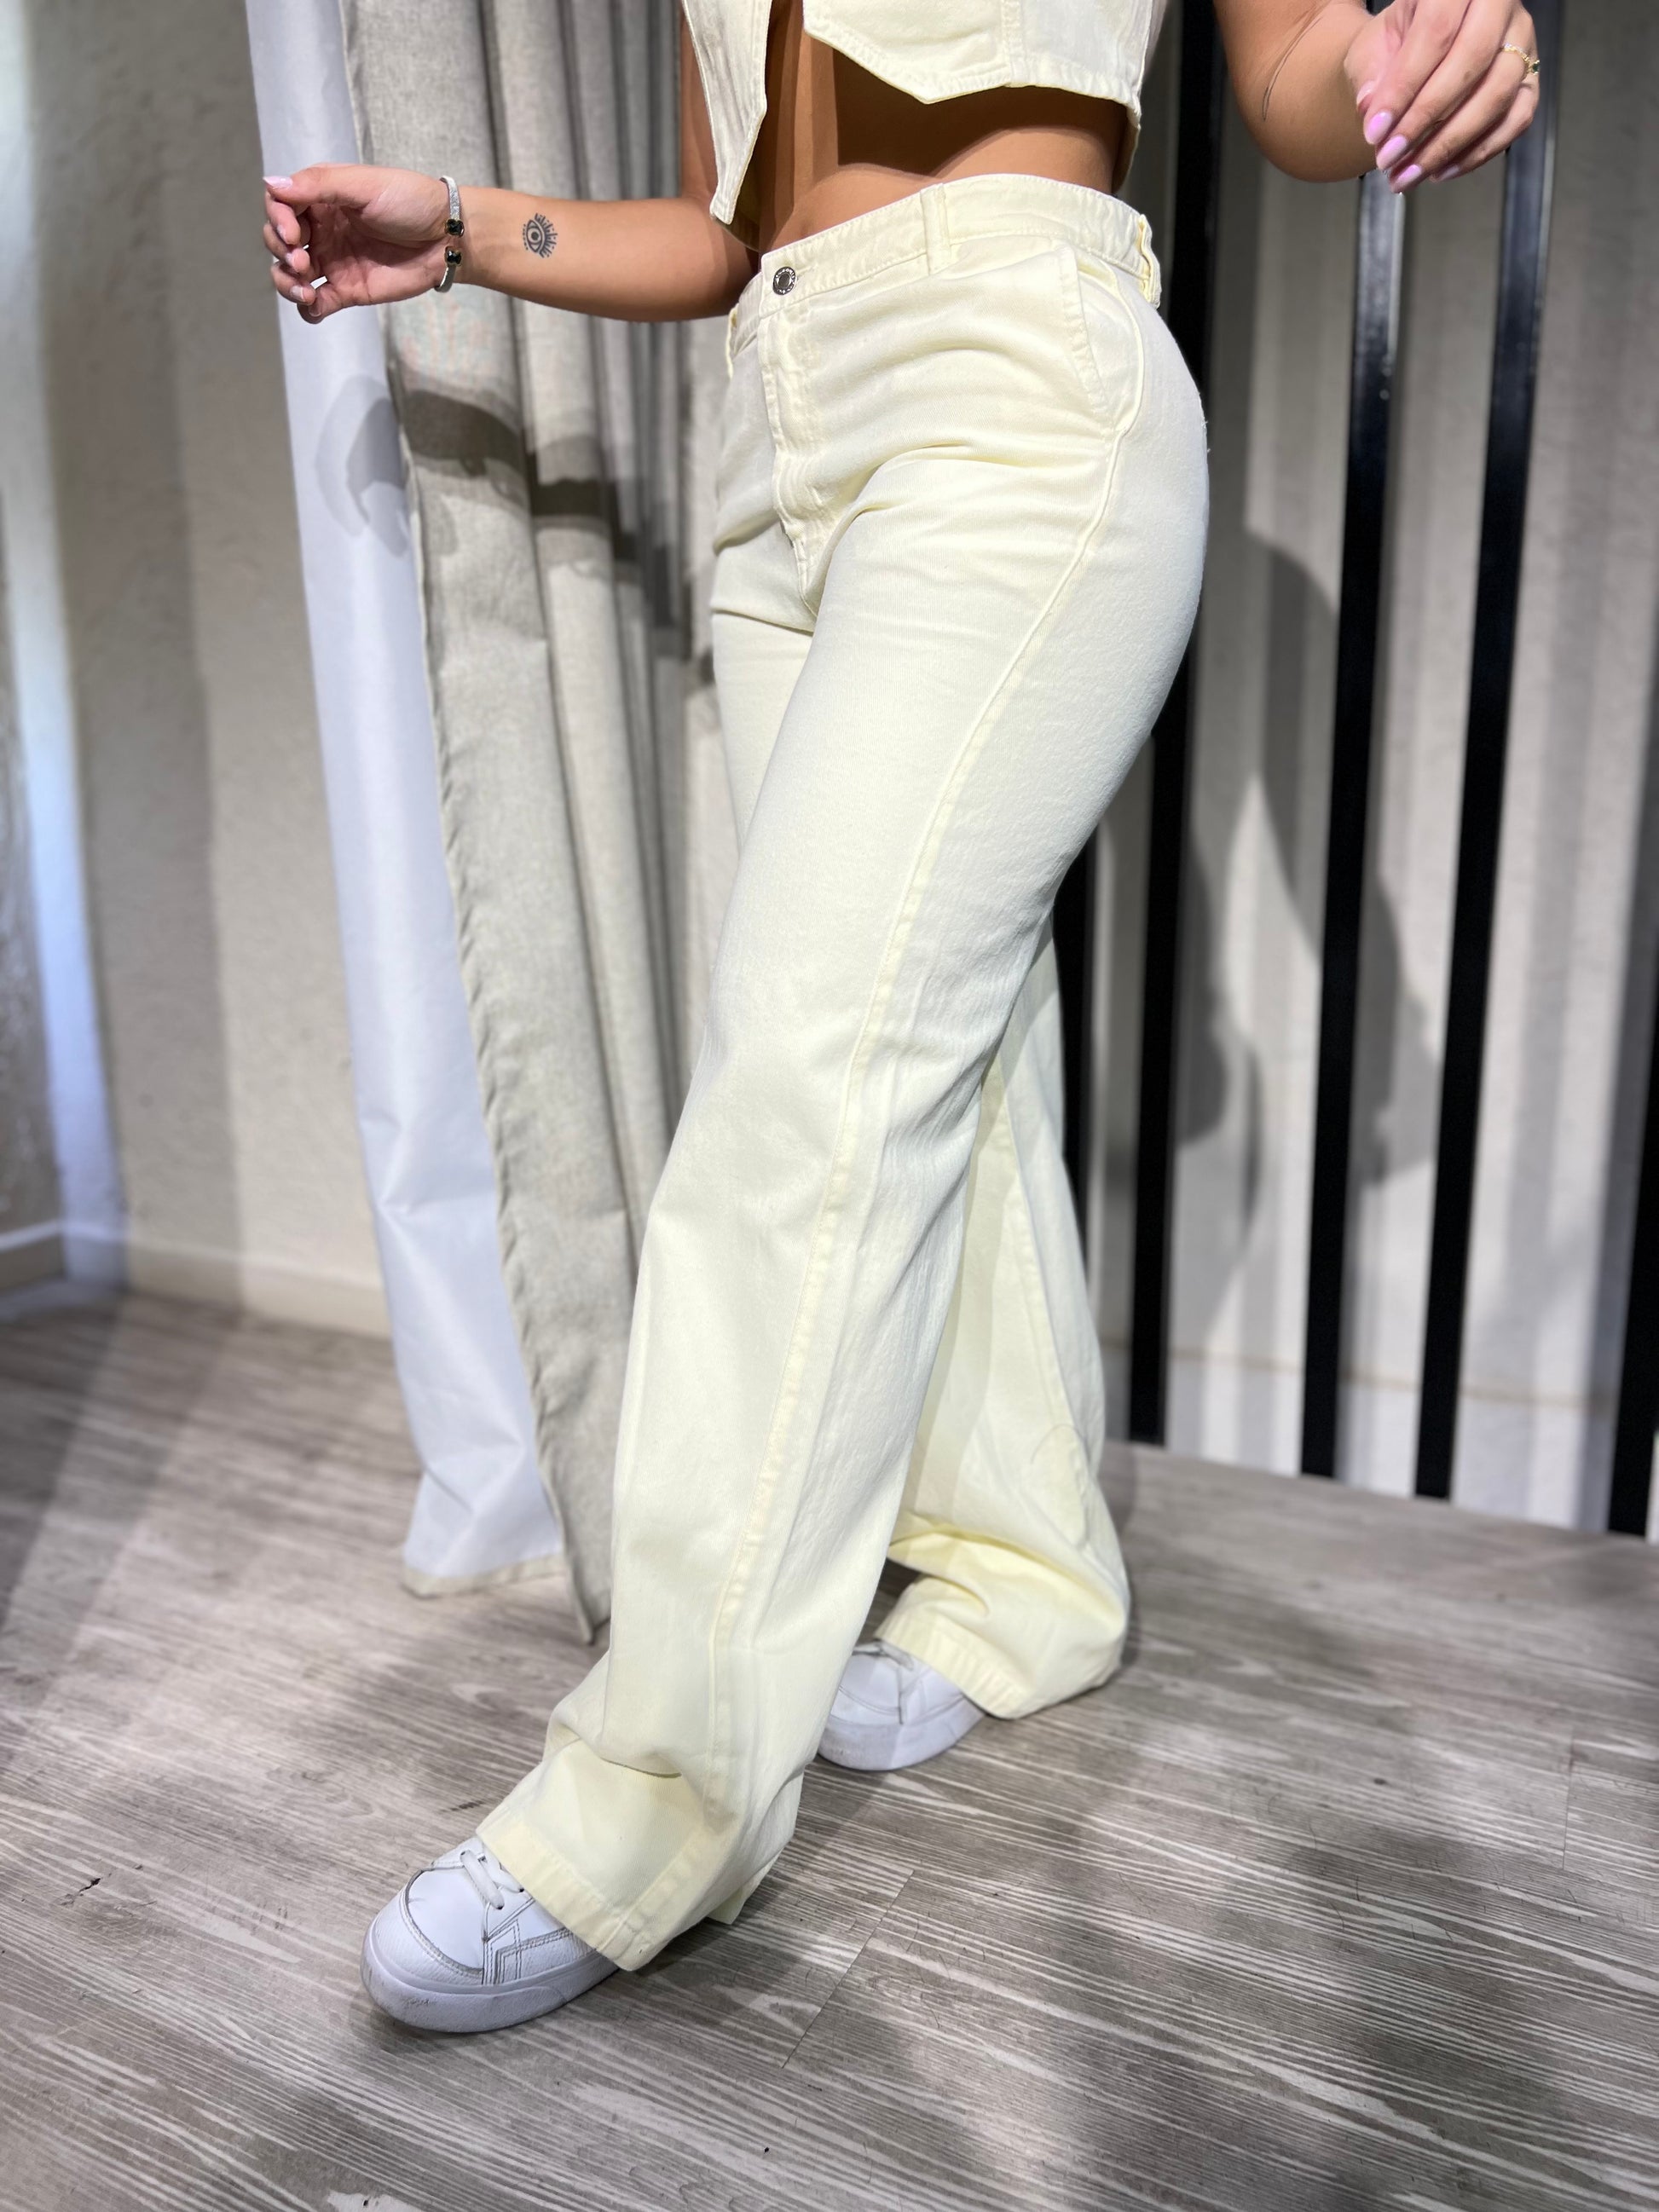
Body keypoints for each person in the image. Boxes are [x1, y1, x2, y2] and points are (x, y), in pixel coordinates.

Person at [262, 0, 1539, 2034]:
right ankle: (1028, 1577)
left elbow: (1300, 81)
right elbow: (723, 224)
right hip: (774, 441)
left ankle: (650, 1801)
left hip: (1011, 389)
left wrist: (1418, 53)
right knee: (947, 1038)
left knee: (809, 1075)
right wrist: (468, 224)